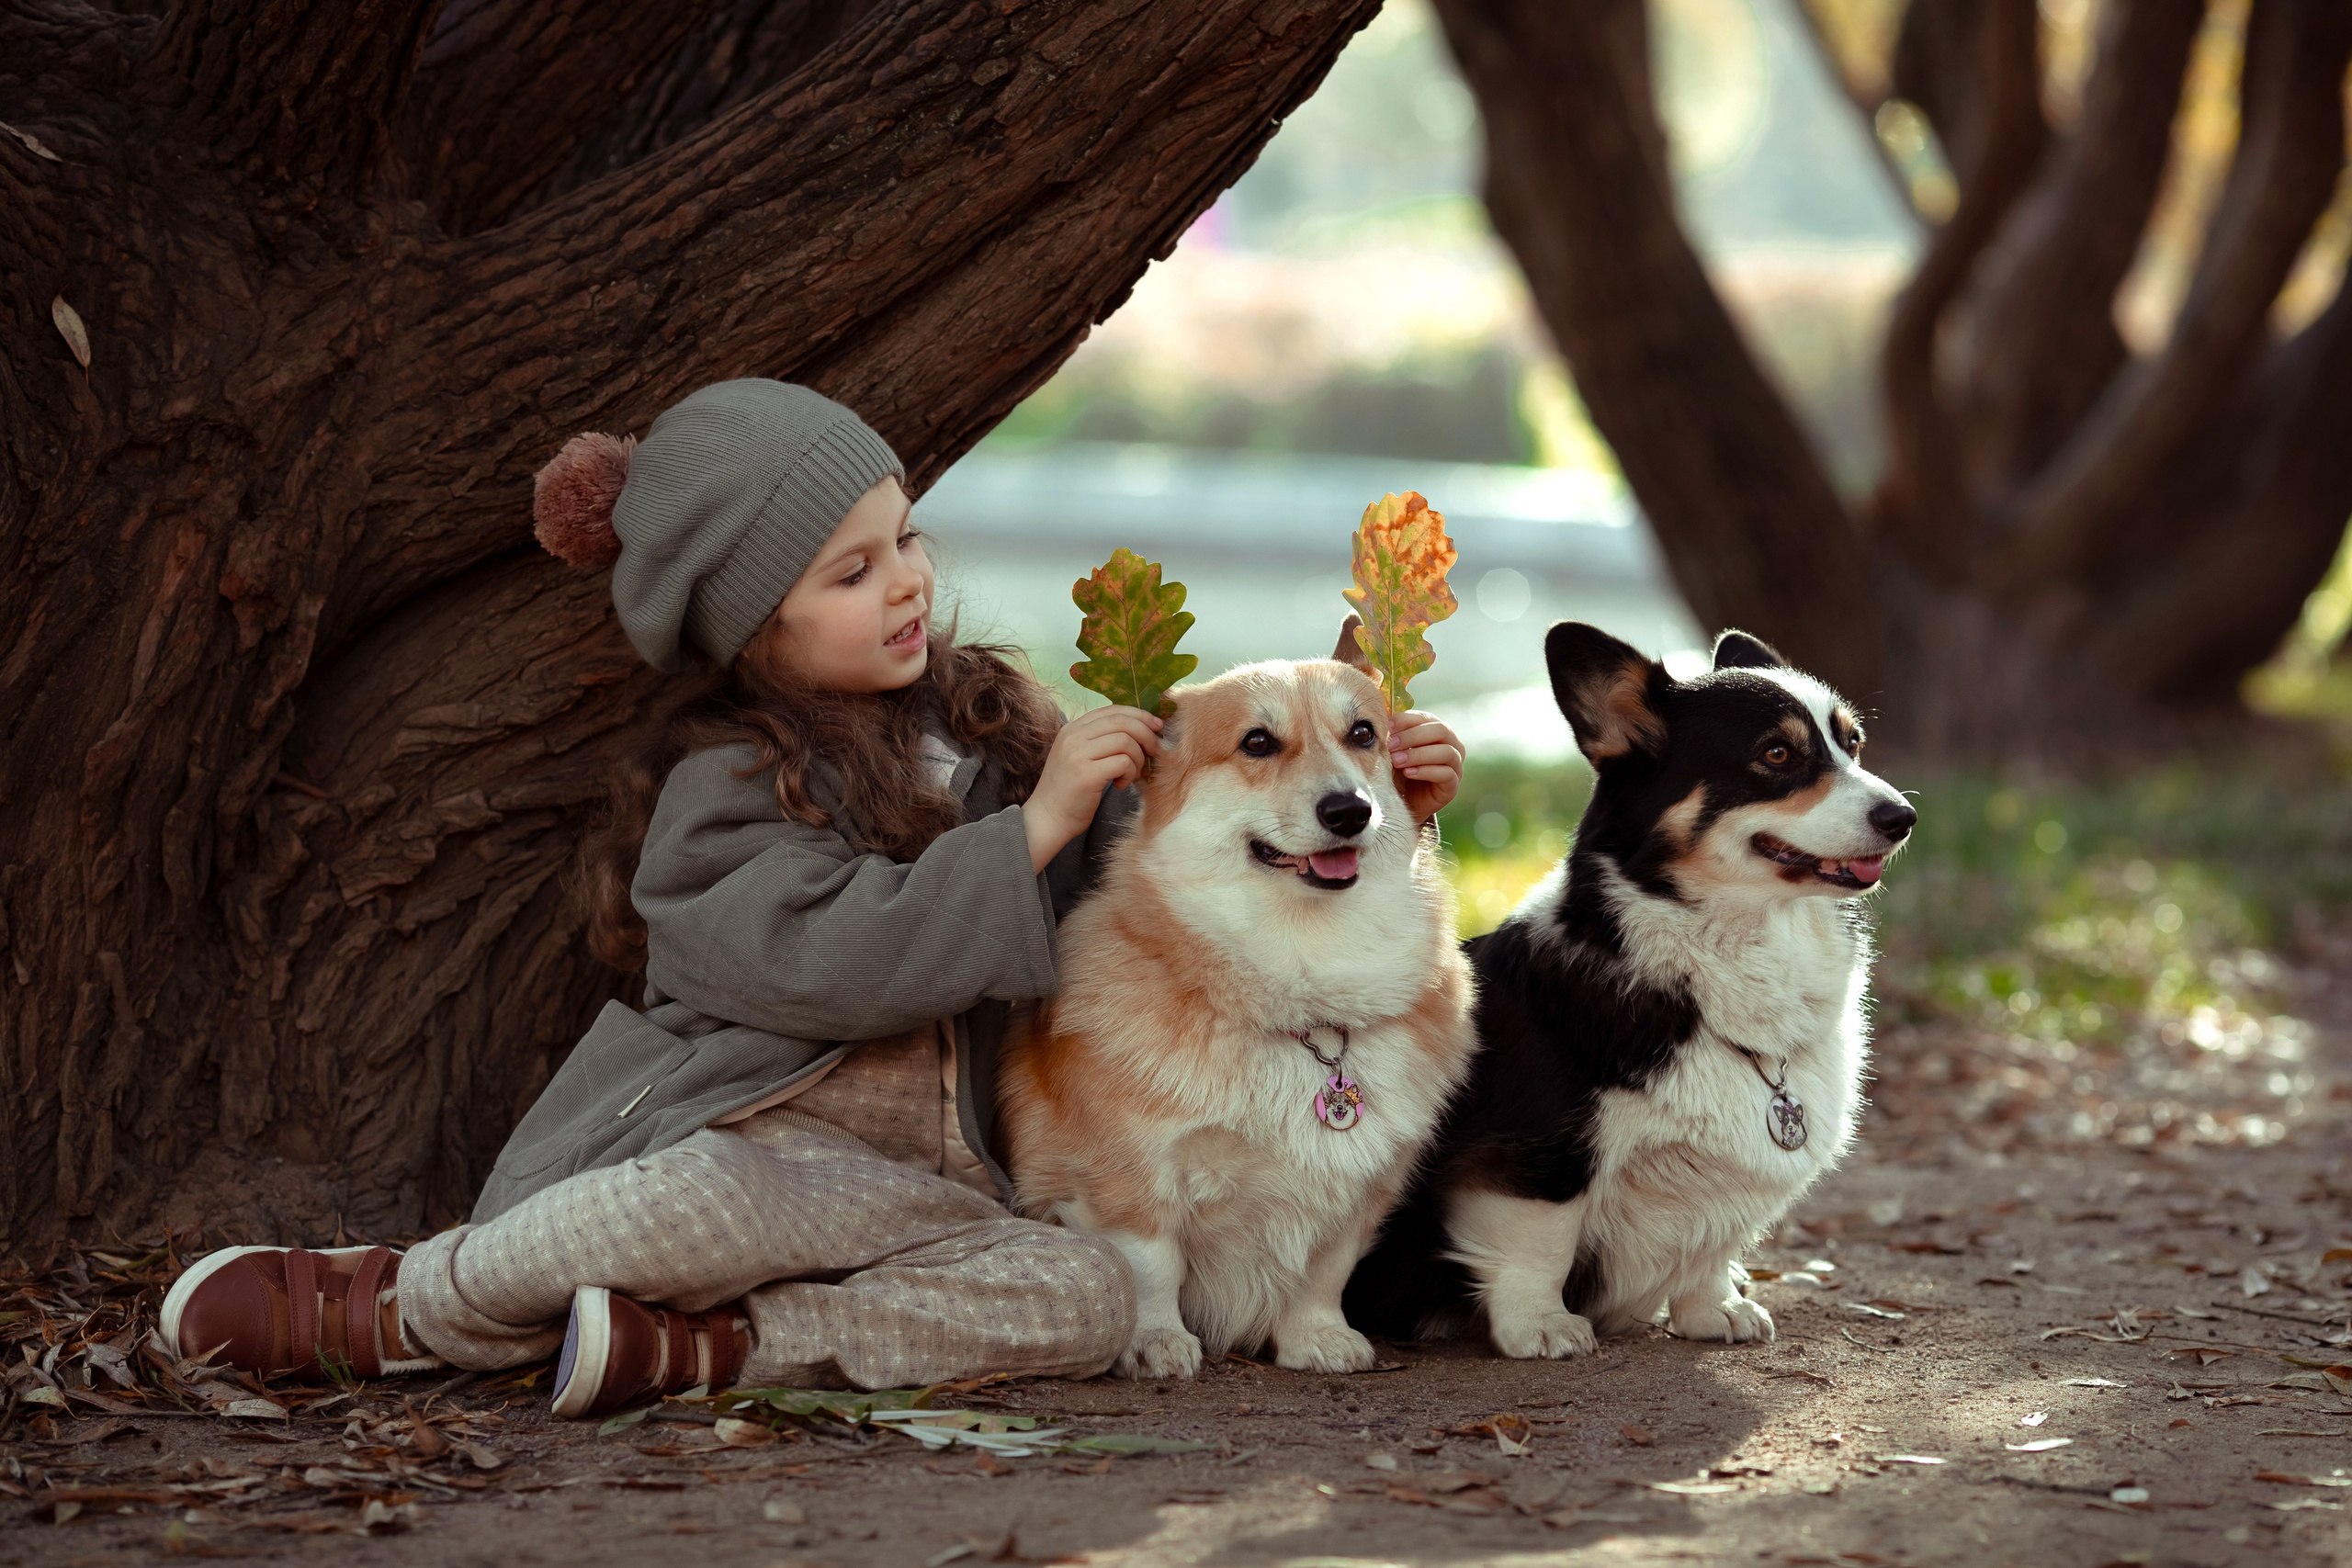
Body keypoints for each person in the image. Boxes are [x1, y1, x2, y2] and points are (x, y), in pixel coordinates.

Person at [161, 380, 1465, 1415]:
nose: (903, 580)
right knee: (691, 1210)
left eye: (903, 538)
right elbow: (835, 960)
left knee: (1080, 1300)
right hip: (764, 1138)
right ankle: (397, 1306)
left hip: (941, 1185)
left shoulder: (995, 733)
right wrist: (1042, 822)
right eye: (849, 572)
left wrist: (1351, 804)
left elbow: (1170, 871)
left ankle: (714, 1352)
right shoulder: (724, 791)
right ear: (752, 627)